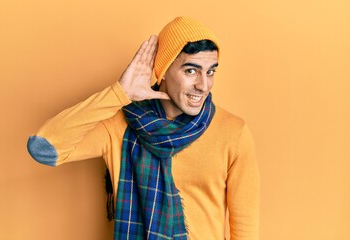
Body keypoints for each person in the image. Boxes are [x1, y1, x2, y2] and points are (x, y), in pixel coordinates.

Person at [27, 16, 260, 240]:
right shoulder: (121, 126)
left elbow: (245, 231)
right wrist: (120, 93)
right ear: (164, 71)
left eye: (210, 71)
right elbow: (43, 148)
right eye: (191, 70)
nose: (203, 85)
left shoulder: (233, 132)